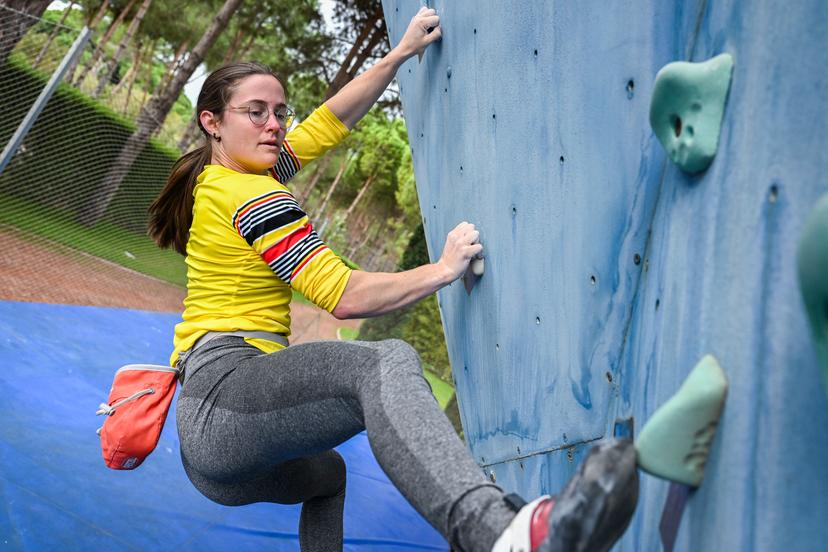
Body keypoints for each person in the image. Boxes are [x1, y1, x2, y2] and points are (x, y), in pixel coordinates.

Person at [148, 7, 638, 552]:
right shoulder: (252, 194)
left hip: (213, 454)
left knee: (329, 476)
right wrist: (443, 269)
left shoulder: (228, 176)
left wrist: (399, 55)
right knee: (384, 363)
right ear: (212, 121)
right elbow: (345, 296)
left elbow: (327, 123)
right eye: (256, 112)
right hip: (224, 400)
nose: (275, 124)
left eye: (279, 112)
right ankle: (499, 532)